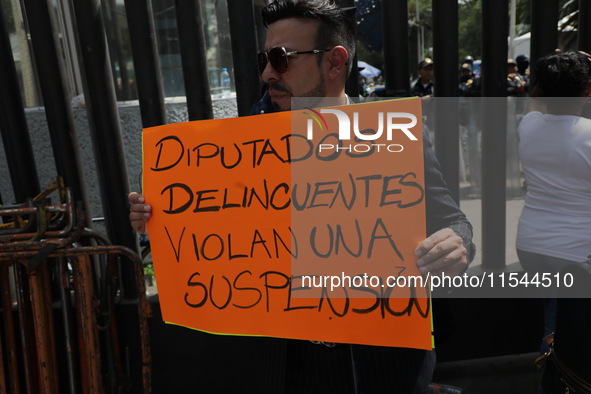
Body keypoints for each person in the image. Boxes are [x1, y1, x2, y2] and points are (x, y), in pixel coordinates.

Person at [130, 1, 474, 392]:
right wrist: (158, 218)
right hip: (289, 367)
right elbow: (222, 233)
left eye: (281, 59)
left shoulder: (393, 134)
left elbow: (453, 222)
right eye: (264, 58)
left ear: (334, 62)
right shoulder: (247, 149)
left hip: (385, 364)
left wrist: (457, 243)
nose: (266, 74)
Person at [516, 51, 591, 389]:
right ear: (587, 91)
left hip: (531, 243)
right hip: (578, 250)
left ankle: (552, 378)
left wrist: (547, 77)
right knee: (574, 329)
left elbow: (535, 98)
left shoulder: (529, 125)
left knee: (551, 319)